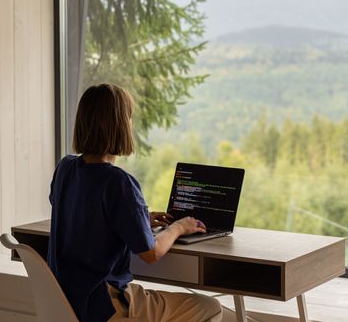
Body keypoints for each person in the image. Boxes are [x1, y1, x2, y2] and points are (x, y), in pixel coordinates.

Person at [47, 84, 223, 322]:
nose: (131, 124)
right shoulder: (119, 182)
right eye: (128, 118)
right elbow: (152, 253)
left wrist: (136, 221)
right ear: (119, 125)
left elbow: (80, 209)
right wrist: (179, 227)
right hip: (107, 306)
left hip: (66, 302)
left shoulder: (65, 168)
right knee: (210, 307)